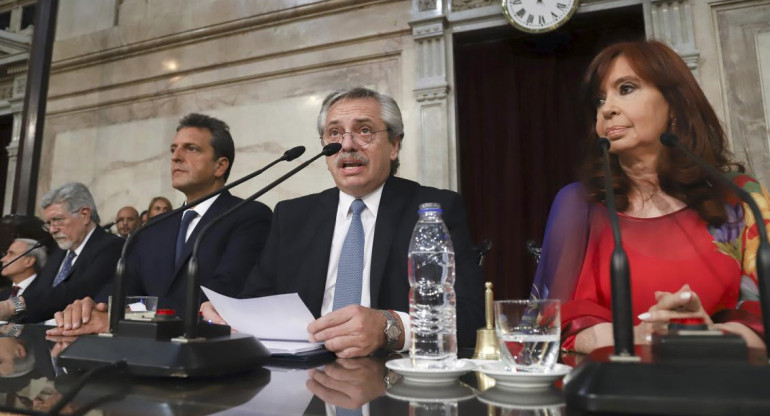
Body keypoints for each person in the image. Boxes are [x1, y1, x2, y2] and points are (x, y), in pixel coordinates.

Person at [201, 87, 484, 358]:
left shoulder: (433, 210)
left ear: (394, 146)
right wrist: (229, 313)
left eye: (364, 131)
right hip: (303, 376)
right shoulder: (293, 216)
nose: (347, 145)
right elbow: (257, 301)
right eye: (334, 133)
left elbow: (471, 317)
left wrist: (389, 328)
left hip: (391, 376)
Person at [531, 40, 769, 354]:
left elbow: (761, 321)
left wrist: (707, 334)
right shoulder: (579, 204)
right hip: (610, 391)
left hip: (723, 390)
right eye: (599, 99)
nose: (607, 108)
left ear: (674, 105)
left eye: (626, 88)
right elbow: (542, 327)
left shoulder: (740, 197)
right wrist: (637, 336)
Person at [48, 113, 272, 334]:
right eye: (173, 149)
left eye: (191, 149)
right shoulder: (155, 227)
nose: (176, 157)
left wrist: (121, 316)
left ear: (220, 166)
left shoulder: (249, 216)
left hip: (205, 352)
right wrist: (95, 310)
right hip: (139, 353)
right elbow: (124, 288)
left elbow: (221, 294)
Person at [0, 183, 124, 323]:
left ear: (84, 215)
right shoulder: (58, 254)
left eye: (57, 220)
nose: (52, 229)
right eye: (49, 223)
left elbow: (76, 291)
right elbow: (38, 295)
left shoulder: (112, 247)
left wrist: (12, 306)